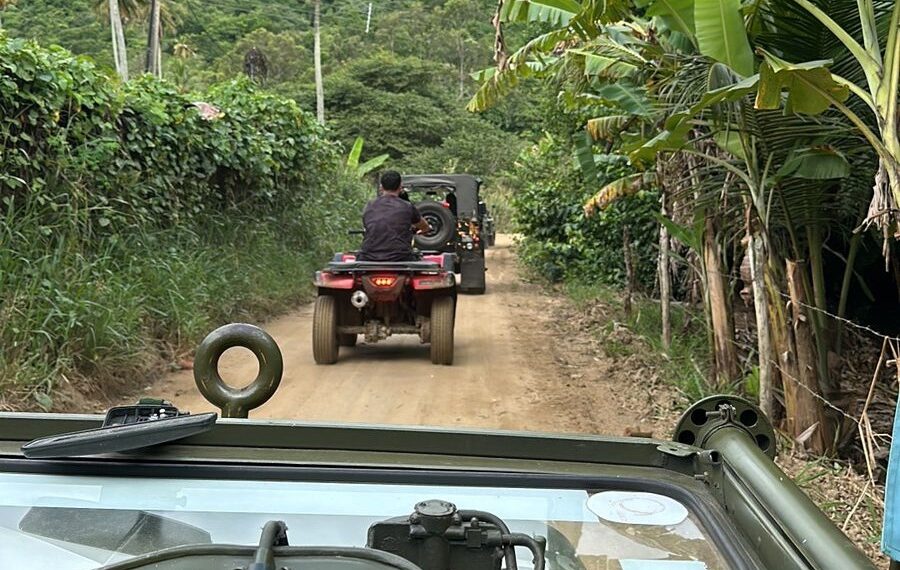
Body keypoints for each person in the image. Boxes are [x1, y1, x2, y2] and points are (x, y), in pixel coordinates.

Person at [358, 171, 430, 261]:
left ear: (381, 187)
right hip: (401, 258)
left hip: (368, 257)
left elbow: (367, 226)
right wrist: (424, 230)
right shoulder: (407, 206)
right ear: (400, 187)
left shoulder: (369, 206)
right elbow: (424, 226)